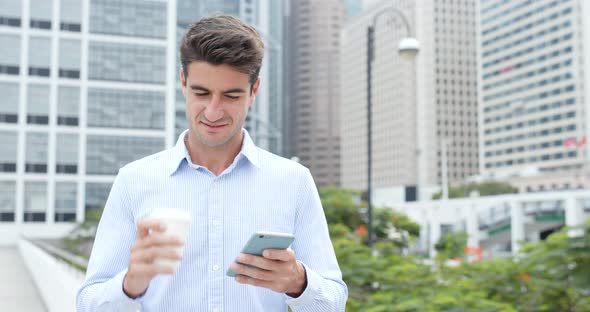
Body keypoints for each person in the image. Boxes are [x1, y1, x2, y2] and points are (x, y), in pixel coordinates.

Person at [76, 15, 348, 311]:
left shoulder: (294, 181)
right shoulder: (134, 180)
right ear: (183, 83)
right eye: (201, 93)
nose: (214, 111)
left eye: (231, 95)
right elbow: (89, 303)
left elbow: (333, 302)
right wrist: (130, 284)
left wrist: (299, 281)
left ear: (253, 92)